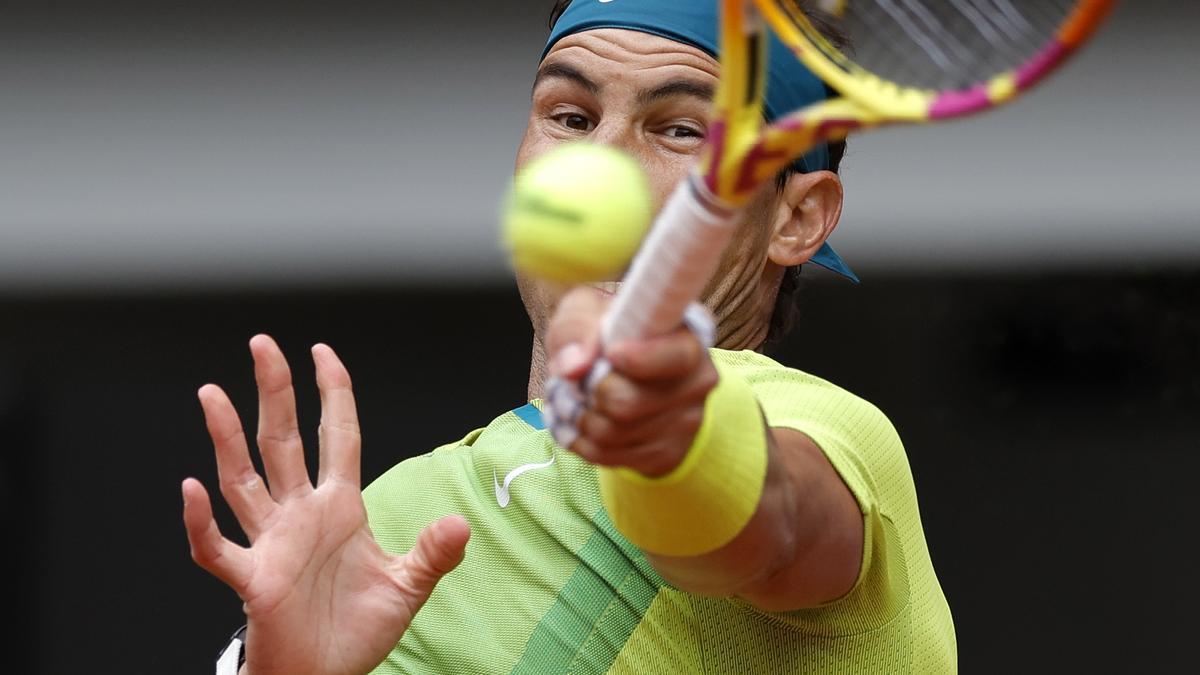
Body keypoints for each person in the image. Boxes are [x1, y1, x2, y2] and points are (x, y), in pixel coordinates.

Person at [181, 2, 956, 673]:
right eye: (572, 118)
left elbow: (769, 525)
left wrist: (680, 440)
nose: (601, 164)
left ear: (796, 214)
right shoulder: (390, 515)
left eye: (682, 128)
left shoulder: (815, 428)